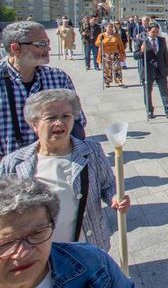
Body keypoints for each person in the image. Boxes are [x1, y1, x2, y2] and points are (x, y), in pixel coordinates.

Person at [0, 89, 131, 251]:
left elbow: (108, 184)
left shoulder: (92, 151)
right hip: (39, 255)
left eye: (66, 116)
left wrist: (116, 197)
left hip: (88, 249)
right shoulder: (14, 163)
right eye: (51, 117)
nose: (59, 122)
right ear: (34, 124)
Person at [0, 176, 134, 287]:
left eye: (37, 233)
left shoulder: (93, 262)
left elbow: (108, 183)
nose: (23, 253)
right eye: (6, 242)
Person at [1, 21, 87, 158]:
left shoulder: (58, 78)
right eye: (41, 44)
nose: (48, 48)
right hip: (9, 168)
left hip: (55, 163)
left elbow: (78, 121)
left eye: (47, 42)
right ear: (16, 48)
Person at [134, 23, 168, 120]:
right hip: (148, 71)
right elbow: (135, 56)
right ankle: (149, 111)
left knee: (164, 91)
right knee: (148, 92)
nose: (155, 34)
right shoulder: (141, 41)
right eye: (153, 32)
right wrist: (141, 51)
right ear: (148, 31)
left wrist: (167, 68)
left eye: (157, 32)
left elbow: (165, 55)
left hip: (160, 70)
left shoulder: (162, 40)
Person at [95, 22, 126, 88]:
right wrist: (101, 41)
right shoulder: (102, 35)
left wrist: (122, 53)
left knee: (117, 67)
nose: (110, 29)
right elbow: (97, 43)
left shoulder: (116, 35)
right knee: (107, 68)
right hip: (106, 54)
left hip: (115, 53)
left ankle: (119, 81)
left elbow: (120, 45)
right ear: (106, 28)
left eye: (111, 27)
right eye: (109, 27)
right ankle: (107, 82)